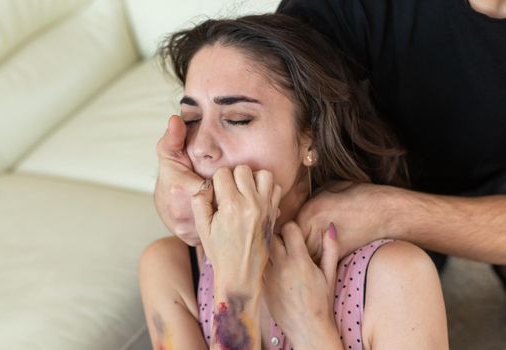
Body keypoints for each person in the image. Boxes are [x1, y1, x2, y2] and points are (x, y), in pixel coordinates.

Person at [139, 14, 448, 349]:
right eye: (192, 119)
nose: (200, 147)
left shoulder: (396, 277)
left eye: (237, 119)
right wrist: (236, 288)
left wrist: (312, 332)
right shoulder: (171, 268)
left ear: (310, 139)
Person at [274, 0, 506, 282]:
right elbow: (266, 113)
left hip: (489, 196)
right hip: (345, 196)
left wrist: (389, 213)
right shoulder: (339, 9)